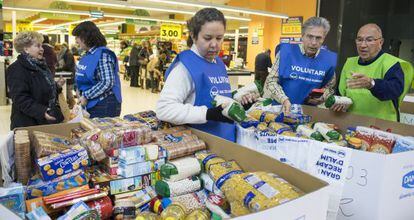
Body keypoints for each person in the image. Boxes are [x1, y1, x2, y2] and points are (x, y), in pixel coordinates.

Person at [156, 8, 255, 142]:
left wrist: (238, 103)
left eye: (219, 38)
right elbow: (164, 109)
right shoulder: (184, 67)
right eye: (207, 38)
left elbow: (216, 97)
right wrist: (207, 114)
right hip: (201, 147)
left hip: (226, 143)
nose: (214, 44)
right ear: (193, 35)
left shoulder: (219, 63)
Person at [335, 24, 413, 121]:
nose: (363, 45)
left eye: (369, 40)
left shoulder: (391, 64)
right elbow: (340, 91)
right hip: (351, 124)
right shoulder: (349, 63)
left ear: (381, 42)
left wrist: (372, 84)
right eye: (359, 40)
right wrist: (338, 102)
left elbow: (394, 91)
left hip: (382, 127)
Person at [263, 17, 337, 113]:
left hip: (309, 113)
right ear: (302, 35)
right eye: (310, 36)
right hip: (281, 110)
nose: (314, 42)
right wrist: (284, 99)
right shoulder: (286, 53)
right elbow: (271, 81)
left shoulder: (328, 60)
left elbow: (329, 88)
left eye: (318, 38)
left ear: (324, 38)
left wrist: (322, 97)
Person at [7, 31, 64, 129]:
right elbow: (20, 98)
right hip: (28, 124)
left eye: (41, 46)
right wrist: (42, 111)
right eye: (38, 46)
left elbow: (41, 87)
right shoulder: (16, 68)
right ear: (26, 49)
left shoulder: (40, 65)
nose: (42, 49)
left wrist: (56, 86)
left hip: (45, 121)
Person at [72, 21, 122, 118]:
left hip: (104, 105)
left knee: (102, 132)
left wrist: (86, 95)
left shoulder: (103, 54)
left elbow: (107, 82)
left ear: (86, 37)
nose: (76, 40)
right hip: (91, 103)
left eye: (77, 37)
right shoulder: (87, 55)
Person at [55, 43, 76, 109]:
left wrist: (59, 69)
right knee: (68, 90)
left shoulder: (68, 54)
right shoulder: (65, 54)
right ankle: (71, 104)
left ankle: (73, 105)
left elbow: (68, 65)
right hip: (68, 74)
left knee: (68, 90)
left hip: (70, 75)